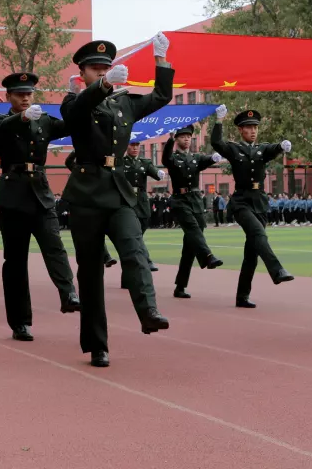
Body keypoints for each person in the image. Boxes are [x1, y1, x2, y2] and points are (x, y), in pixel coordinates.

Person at [61, 35, 173, 368]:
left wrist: (161, 60)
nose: (102, 72)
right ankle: (98, 345)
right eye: (95, 69)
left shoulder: (125, 103)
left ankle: (149, 311)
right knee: (90, 273)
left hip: (118, 190)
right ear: (83, 73)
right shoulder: (75, 102)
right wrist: (103, 85)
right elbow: (77, 111)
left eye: (105, 68)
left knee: (134, 249)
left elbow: (161, 96)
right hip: (86, 194)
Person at [0, 72, 80, 341]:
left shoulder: (44, 120)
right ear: (8, 97)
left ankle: (68, 293)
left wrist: (75, 98)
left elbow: (72, 125)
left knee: (54, 245)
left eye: (28, 94)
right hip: (13, 195)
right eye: (19, 94)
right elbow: (0, 132)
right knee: (15, 262)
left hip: (40, 192)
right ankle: (20, 322)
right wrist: (23, 118)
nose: (25, 98)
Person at [210, 105, 294, 308]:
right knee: (258, 233)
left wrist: (281, 146)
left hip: (259, 202)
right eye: (248, 127)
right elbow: (216, 142)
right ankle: (277, 270)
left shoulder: (262, 149)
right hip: (241, 202)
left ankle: (242, 296)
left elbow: (272, 149)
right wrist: (219, 121)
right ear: (241, 130)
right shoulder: (234, 149)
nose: (253, 130)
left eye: (255, 127)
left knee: (252, 253)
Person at [162, 126, 225, 299]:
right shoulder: (173, 158)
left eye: (189, 137)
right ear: (177, 139)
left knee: (190, 247)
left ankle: (180, 286)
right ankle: (207, 256)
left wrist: (213, 158)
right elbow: (165, 158)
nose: (187, 139)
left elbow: (205, 160)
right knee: (193, 228)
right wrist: (169, 139)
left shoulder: (195, 158)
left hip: (195, 201)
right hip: (180, 200)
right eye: (183, 136)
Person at [119, 140, 164, 274]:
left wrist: (158, 173)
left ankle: (132, 258)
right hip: (127, 199)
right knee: (135, 231)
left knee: (140, 228)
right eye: (132, 145)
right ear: (126, 146)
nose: (135, 148)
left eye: (137, 145)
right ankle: (147, 260)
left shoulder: (145, 162)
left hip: (142, 201)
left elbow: (153, 171)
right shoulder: (121, 162)